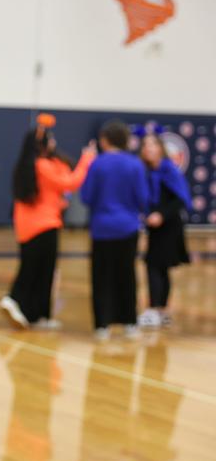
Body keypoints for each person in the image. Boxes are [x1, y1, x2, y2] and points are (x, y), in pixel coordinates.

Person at [0, 113, 96, 329]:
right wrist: (87, 159)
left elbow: (53, 189)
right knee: (41, 272)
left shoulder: (27, 165)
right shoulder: (42, 165)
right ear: (42, 144)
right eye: (50, 139)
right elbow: (70, 183)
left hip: (26, 226)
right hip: (44, 225)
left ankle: (33, 314)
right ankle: (17, 301)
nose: (54, 142)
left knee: (35, 268)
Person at [79, 120, 148, 339]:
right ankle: (130, 323)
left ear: (105, 140)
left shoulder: (97, 164)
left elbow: (86, 196)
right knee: (127, 274)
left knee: (101, 277)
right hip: (128, 227)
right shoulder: (135, 164)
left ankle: (102, 325)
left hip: (102, 228)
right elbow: (143, 198)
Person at [137, 131, 191, 328]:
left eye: (152, 145)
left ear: (160, 148)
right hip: (154, 227)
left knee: (155, 265)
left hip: (169, 226)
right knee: (158, 266)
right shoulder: (146, 171)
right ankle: (161, 310)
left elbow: (180, 199)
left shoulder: (168, 170)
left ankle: (155, 309)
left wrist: (161, 215)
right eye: (145, 145)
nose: (148, 149)